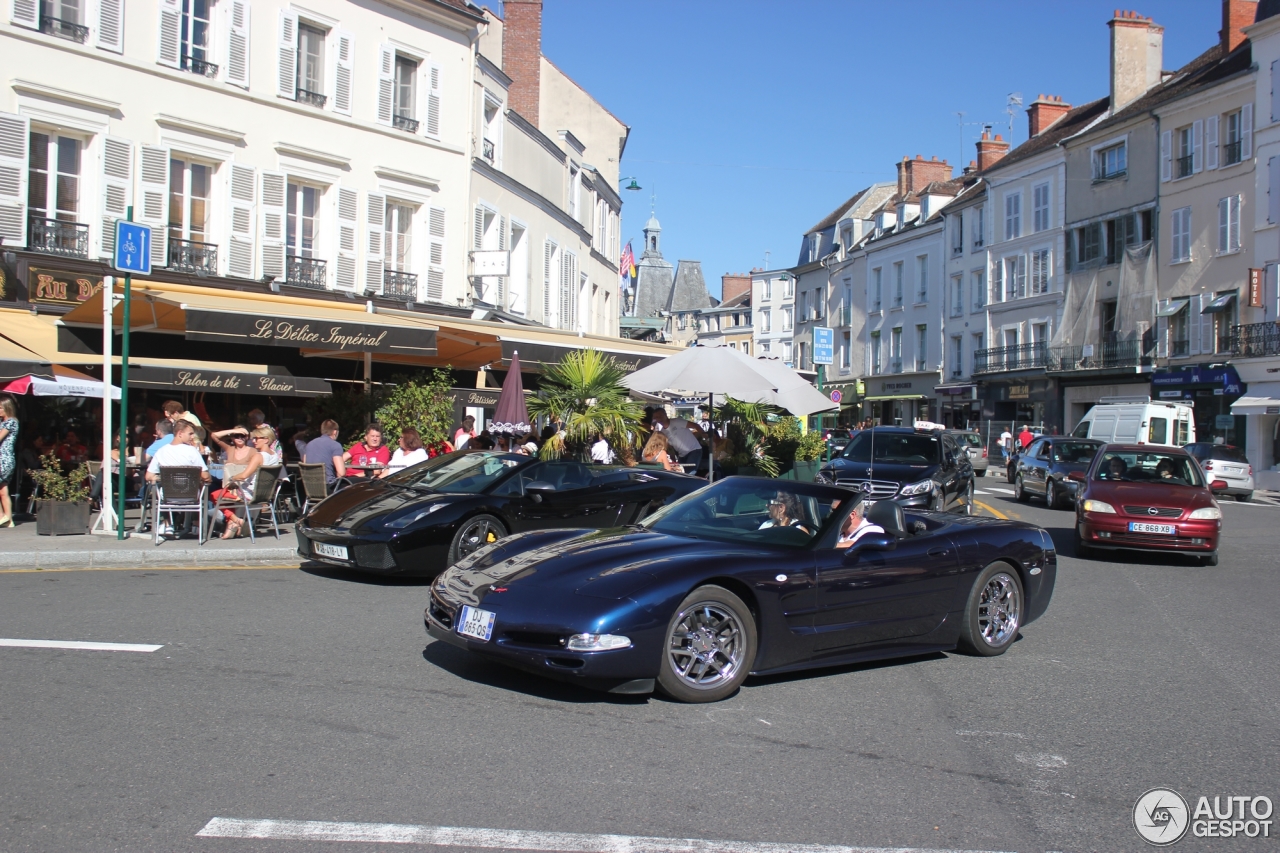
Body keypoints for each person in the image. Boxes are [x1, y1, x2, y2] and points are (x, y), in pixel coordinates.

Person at [146, 421, 212, 537]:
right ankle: (196, 524)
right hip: (190, 496)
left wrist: (163, 477)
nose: (192, 437)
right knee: (201, 483)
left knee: (159, 486)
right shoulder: (192, 451)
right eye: (190, 434)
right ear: (180, 433)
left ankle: (167, 524)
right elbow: (205, 476)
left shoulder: (161, 451)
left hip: (168, 496)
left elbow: (148, 476)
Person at [209, 426, 263, 539]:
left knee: (214, 494)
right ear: (232, 438)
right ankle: (235, 520)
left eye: (242, 435)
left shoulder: (253, 452)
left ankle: (233, 522)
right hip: (231, 487)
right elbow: (214, 436)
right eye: (236, 436)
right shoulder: (230, 449)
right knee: (213, 488)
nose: (239, 438)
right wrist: (232, 431)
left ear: (247, 437)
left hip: (243, 488)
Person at [303, 419, 346, 487]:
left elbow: (305, 465)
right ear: (335, 432)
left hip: (310, 487)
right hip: (328, 487)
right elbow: (341, 473)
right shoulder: (335, 445)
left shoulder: (309, 444)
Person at [0, 396, 18, 528]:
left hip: (3, 458)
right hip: (4, 458)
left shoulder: (11, 421)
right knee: (2, 490)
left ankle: (3, 516)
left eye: (0, 407)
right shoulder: (3, 422)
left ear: (7, 408)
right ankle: (8, 519)